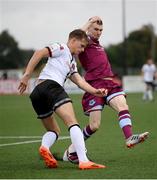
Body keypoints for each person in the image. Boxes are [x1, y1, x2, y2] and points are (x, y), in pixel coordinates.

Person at [18, 29, 108, 170]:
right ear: (72, 41)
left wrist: (95, 91)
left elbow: (80, 81)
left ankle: (45, 147)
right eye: (81, 46)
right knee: (73, 123)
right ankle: (83, 161)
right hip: (51, 86)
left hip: (37, 93)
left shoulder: (71, 62)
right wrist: (27, 74)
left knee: (54, 131)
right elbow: (39, 53)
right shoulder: (62, 48)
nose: (83, 50)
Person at [63, 17, 149, 162]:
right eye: (95, 29)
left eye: (101, 30)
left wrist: (94, 26)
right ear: (89, 29)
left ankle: (129, 137)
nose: (98, 32)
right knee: (94, 126)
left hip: (110, 84)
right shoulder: (84, 42)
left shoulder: (98, 44)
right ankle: (72, 151)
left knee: (123, 105)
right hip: (94, 85)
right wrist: (89, 22)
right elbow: (76, 36)